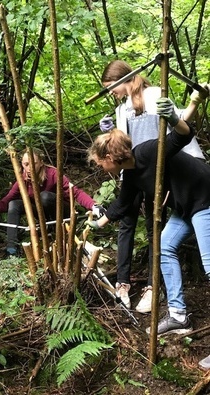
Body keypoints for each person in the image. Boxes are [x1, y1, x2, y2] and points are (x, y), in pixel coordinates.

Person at [87, 99, 210, 362]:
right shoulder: (130, 174)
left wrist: (175, 116)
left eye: (99, 162)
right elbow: (122, 203)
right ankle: (178, 315)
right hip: (185, 207)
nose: (99, 167)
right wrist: (99, 223)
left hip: (204, 198)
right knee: (165, 246)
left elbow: (182, 136)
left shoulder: (148, 151)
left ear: (109, 158)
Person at [98, 60, 208, 313]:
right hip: (137, 172)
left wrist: (191, 104)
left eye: (111, 87)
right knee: (138, 227)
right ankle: (127, 286)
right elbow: (121, 145)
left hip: (169, 173)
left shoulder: (154, 94)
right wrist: (111, 131)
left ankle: (151, 287)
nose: (111, 93)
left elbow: (179, 127)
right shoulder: (123, 106)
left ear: (123, 79)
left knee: (154, 227)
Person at [0, 149, 104, 256]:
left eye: (33, 164)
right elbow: (6, 201)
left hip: (61, 213)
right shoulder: (23, 180)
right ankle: (12, 248)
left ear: (41, 163)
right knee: (14, 204)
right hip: (41, 215)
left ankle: (58, 233)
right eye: (25, 164)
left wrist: (94, 206)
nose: (28, 168)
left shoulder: (53, 174)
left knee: (44, 196)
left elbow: (75, 192)